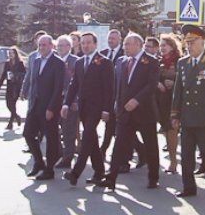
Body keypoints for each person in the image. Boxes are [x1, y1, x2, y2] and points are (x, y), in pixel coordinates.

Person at [172, 25, 205, 198]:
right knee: (186, 154)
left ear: (202, 41)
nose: (189, 46)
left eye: (193, 42)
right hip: (188, 117)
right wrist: (175, 114)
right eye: (187, 42)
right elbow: (178, 91)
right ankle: (189, 187)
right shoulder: (182, 63)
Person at [102, 33, 161, 191]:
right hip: (125, 112)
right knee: (119, 145)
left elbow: (151, 85)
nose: (125, 47)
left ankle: (153, 177)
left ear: (138, 45)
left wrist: (137, 100)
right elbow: (119, 86)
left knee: (150, 145)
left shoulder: (151, 61)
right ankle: (111, 177)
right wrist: (117, 104)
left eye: (128, 44)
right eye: (125, 44)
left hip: (144, 111)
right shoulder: (122, 61)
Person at [62, 32, 114, 187]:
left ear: (95, 44)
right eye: (83, 43)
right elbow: (74, 85)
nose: (85, 45)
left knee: (87, 137)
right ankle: (99, 172)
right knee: (91, 139)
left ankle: (75, 172)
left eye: (88, 43)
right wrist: (66, 103)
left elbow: (109, 88)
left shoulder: (104, 62)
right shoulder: (79, 62)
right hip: (83, 107)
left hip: (97, 108)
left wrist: (106, 109)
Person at [23, 35, 65, 181]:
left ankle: (49, 169)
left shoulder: (58, 63)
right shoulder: (35, 61)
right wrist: (28, 98)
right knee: (28, 134)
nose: (41, 48)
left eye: (44, 45)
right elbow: (33, 82)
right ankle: (39, 162)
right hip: (35, 105)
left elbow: (58, 88)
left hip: (49, 107)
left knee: (51, 139)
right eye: (40, 45)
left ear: (51, 46)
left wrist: (52, 108)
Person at [157, 35, 181, 174]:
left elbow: (185, 78)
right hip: (161, 100)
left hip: (174, 100)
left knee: (172, 130)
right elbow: (154, 77)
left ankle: (173, 161)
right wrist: (158, 83)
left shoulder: (179, 61)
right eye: (161, 46)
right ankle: (172, 158)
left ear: (172, 46)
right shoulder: (159, 62)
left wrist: (174, 83)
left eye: (164, 45)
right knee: (166, 130)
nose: (162, 48)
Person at [55, 35, 79, 169]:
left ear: (69, 47)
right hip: (55, 101)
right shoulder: (55, 60)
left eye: (62, 45)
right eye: (58, 46)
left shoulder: (75, 61)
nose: (59, 48)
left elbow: (78, 83)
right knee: (53, 129)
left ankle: (68, 157)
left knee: (68, 130)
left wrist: (75, 100)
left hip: (70, 102)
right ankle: (59, 153)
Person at [0, 47, 25, 131]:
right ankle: (17, 116)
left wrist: (16, 75)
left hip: (16, 86)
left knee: (13, 104)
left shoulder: (20, 63)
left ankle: (10, 123)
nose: (10, 54)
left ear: (15, 54)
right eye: (9, 53)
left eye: (12, 53)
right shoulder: (7, 63)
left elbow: (24, 74)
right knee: (8, 104)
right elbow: (4, 74)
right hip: (9, 86)